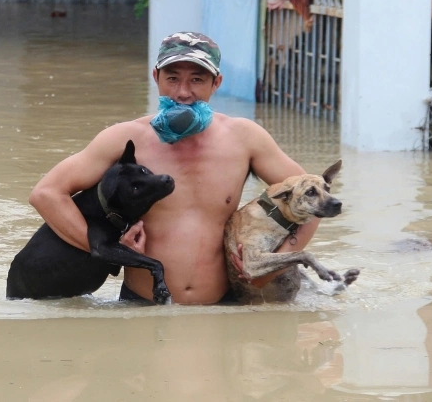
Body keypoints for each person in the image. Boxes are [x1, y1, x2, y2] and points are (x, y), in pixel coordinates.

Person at [28, 32, 319, 304]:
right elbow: (47, 194)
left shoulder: (245, 138)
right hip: (141, 307)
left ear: (216, 83)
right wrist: (108, 250)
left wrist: (278, 260)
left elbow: (315, 199)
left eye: (196, 79)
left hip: (221, 309)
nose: (183, 92)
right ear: (156, 77)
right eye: (172, 78)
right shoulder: (126, 137)